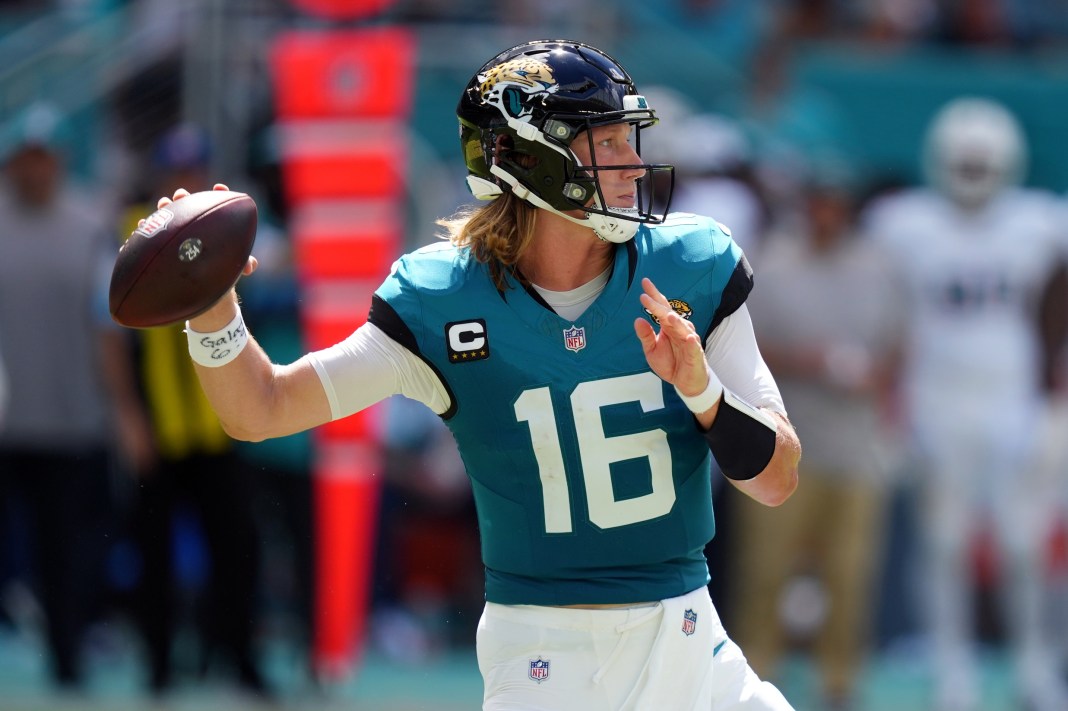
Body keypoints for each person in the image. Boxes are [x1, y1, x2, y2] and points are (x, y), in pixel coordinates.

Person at [156, 40, 802, 710]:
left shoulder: (693, 263)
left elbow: (778, 478)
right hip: (547, 656)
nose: (633, 162)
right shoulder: (441, 300)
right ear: (529, 160)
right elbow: (261, 408)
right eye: (607, 142)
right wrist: (212, 308)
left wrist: (702, 390)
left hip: (691, 639)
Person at [865, 96, 1068, 711]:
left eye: (984, 162)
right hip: (936, 403)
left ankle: (1035, 665)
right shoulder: (903, 223)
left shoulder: (1040, 221)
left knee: (1024, 547)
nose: (973, 173)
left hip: (1015, 402)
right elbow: (886, 316)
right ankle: (953, 667)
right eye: (966, 161)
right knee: (944, 544)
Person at [730, 161, 905, 710]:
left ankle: (839, 682)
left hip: (855, 445)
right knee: (765, 569)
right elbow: (742, 346)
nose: (827, 213)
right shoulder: (774, 263)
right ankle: (754, 676)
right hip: (780, 441)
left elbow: (898, 347)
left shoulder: (876, 267)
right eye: (819, 202)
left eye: (836, 203)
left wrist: (873, 374)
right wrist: (815, 362)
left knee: (850, 573)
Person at [0, 102, 151, 689]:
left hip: (71, 420)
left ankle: (69, 663)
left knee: (69, 554)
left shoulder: (90, 227)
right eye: (24, 157)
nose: (33, 168)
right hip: (7, 424)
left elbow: (105, 329)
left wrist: (125, 413)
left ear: (58, 160)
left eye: (43, 156)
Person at [118, 123, 268, 697]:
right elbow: (107, 337)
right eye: (176, 170)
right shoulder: (130, 230)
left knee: (236, 547)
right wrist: (128, 417)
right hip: (158, 423)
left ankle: (234, 655)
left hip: (215, 419)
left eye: (192, 170)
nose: (184, 180)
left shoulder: (225, 233)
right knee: (152, 552)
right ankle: (157, 664)